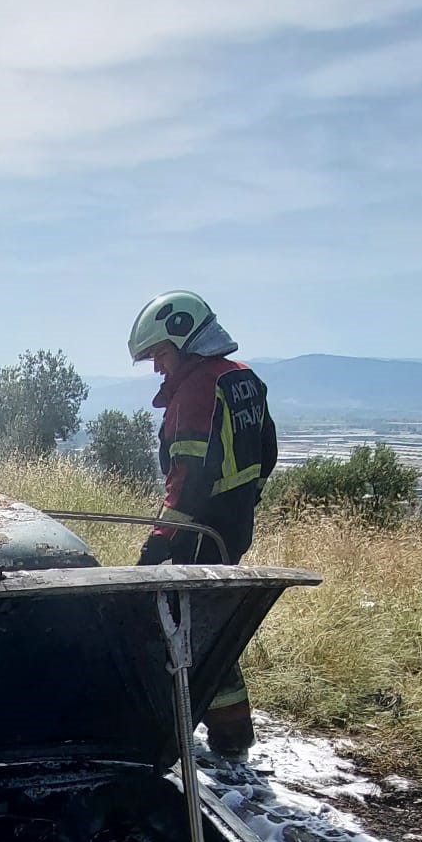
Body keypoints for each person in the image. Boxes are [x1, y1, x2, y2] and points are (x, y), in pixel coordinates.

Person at [127, 290, 278, 759]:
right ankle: (232, 733)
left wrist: (158, 542)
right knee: (209, 623)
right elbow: (267, 452)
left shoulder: (197, 388)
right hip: (232, 525)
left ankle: (218, 735)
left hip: (198, 531)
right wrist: (244, 500)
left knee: (186, 630)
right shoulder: (243, 378)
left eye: (160, 354)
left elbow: (188, 479)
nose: (157, 367)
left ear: (185, 339)